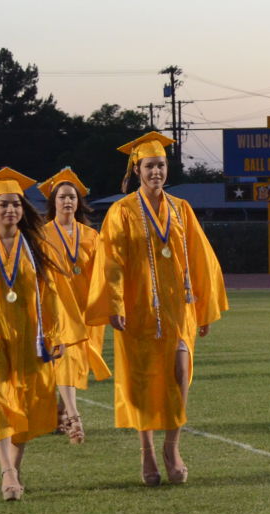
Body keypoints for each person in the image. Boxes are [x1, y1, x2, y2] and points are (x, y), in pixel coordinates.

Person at [87, 133, 227, 485]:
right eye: (149, 166)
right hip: (137, 310)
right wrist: (115, 302)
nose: (156, 172)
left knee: (181, 374)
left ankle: (172, 446)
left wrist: (205, 306)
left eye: (161, 165)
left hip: (178, 308)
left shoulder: (181, 209)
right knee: (143, 382)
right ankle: (147, 451)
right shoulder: (122, 211)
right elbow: (111, 261)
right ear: (137, 170)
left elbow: (200, 257)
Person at [0, 167, 81, 500]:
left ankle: (16, 466)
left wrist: (56, 334)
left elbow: (52, 295)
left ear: (24, 210)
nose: (11, 210)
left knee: (27, 403)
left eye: (17, 205)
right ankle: (6, 471)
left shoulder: (38, 247)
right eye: (4, 204)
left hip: (30, 338)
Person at [38, 167, 111, 444]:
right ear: (53, 202)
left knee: (75, 364)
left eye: (72, 197)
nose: (67, 202)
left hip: (84, 308)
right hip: (56, 309)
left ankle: (60, 411)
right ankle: (73, 416)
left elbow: (102, 273)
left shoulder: (92, 236)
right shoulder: (41, 235)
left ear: (78, 202)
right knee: (65, 358)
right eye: (62, 198)